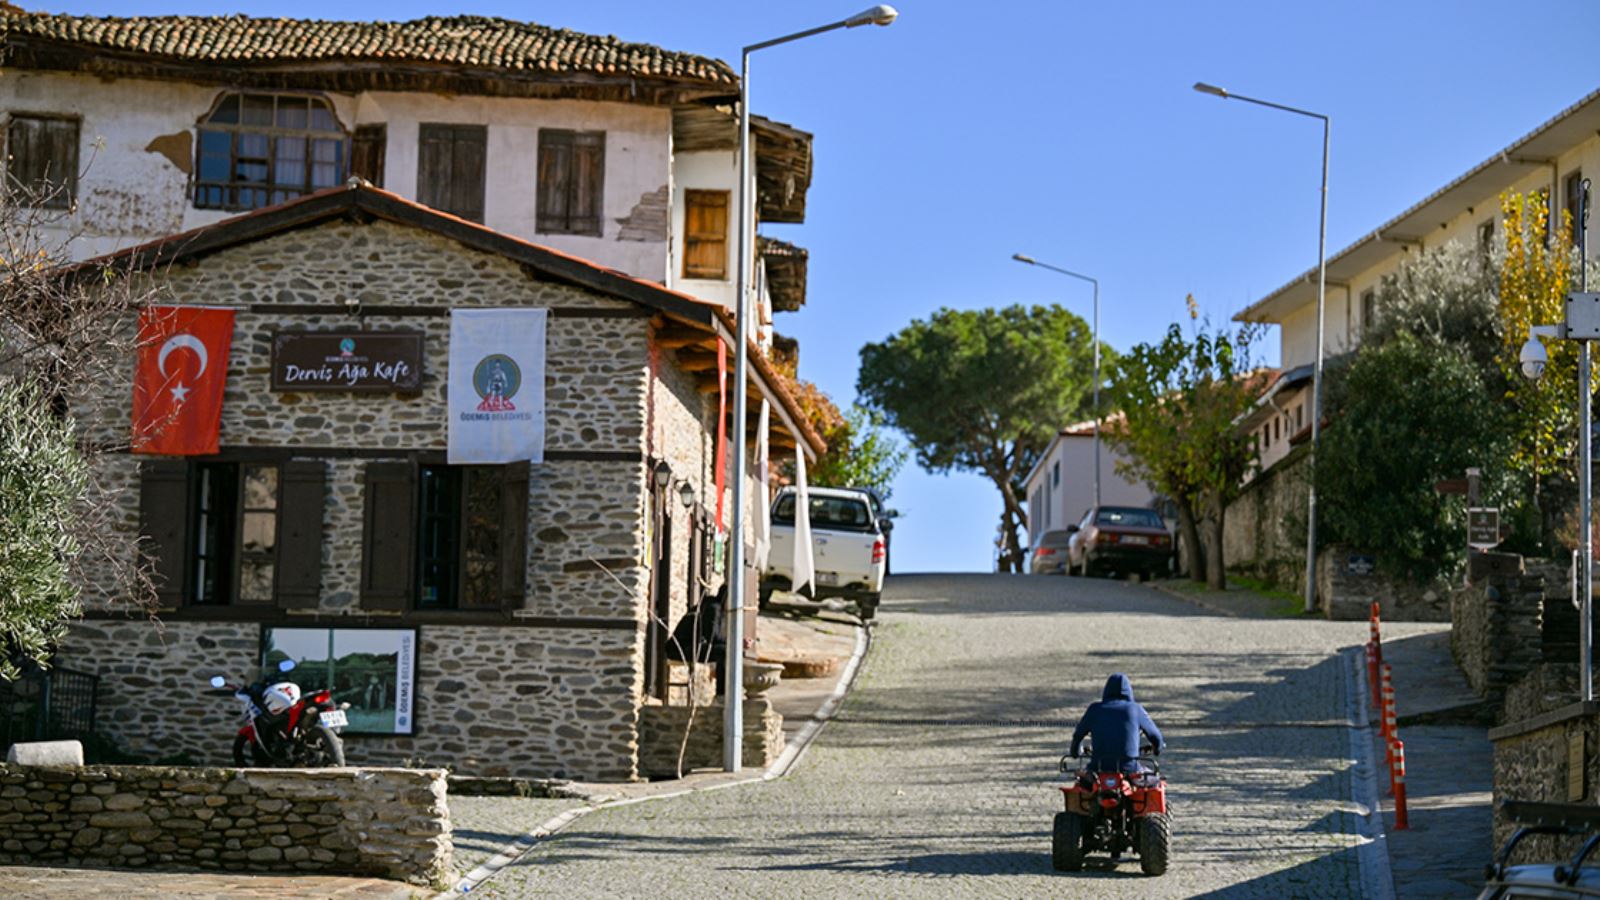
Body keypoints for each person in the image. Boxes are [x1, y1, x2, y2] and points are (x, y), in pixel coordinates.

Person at [1070, 673, 1166, 774]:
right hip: (1129, 768)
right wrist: (1157, 749)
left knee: (1082, 780)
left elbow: (1078, 735)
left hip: (1098, 768)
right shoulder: (1135, 709)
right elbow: (1155, 736)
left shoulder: (1094, 709)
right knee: (1155, 779)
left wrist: (1075, 752)